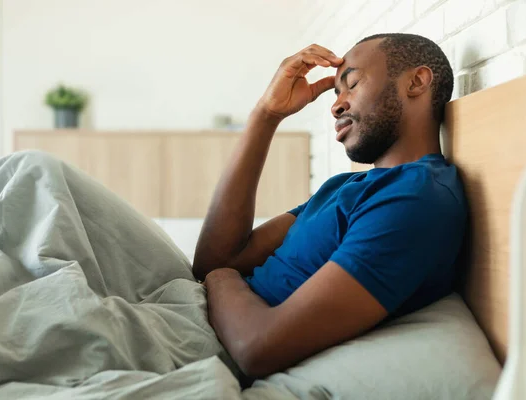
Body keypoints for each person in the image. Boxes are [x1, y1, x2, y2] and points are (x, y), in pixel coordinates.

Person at [194, 33, 467, 378]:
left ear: (416, 82)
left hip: (220, 342)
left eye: (351, 84)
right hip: (215, 320)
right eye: (336, 92)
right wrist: (266, 114)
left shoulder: (415, 199)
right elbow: (213, 259)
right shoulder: (343, 185)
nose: (336, 106)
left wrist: (221, 279)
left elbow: (256, 347)